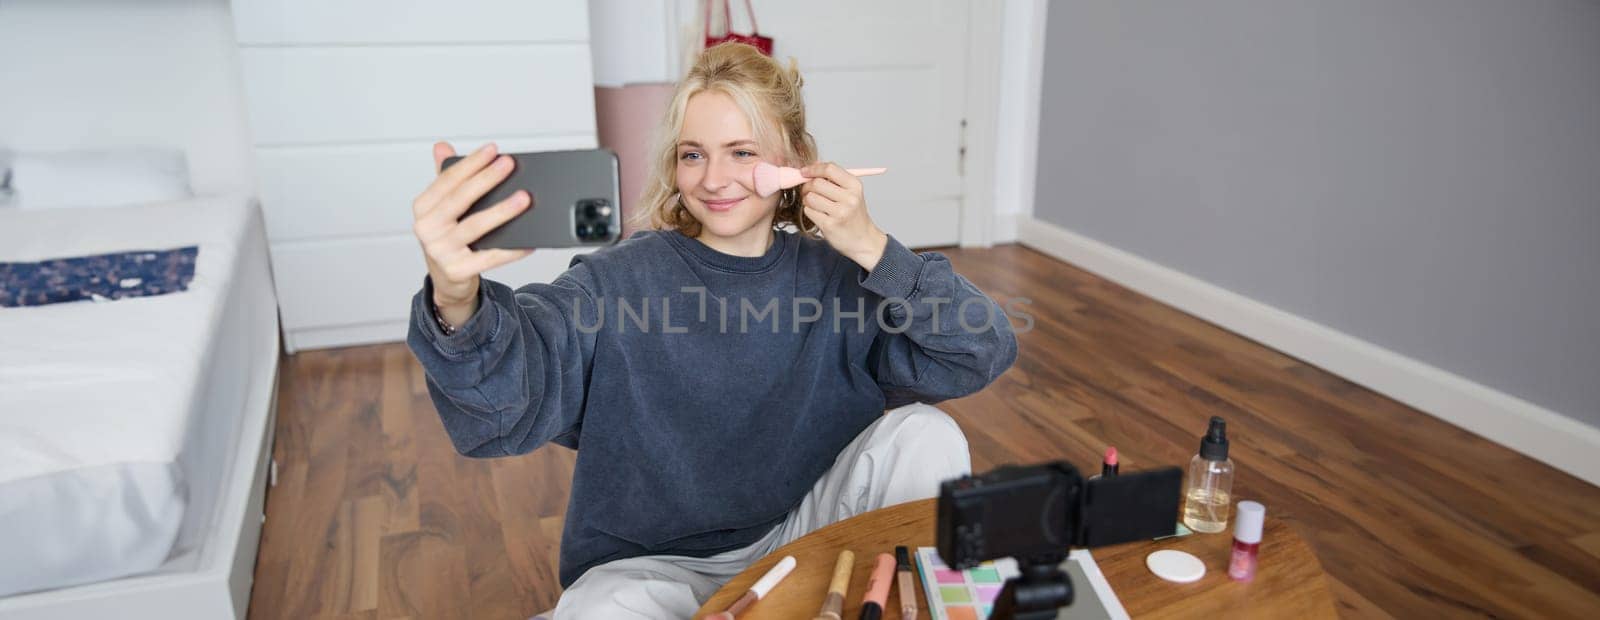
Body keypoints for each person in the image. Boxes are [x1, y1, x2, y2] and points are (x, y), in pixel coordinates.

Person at [406, 42, 1018, 618]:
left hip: (805, 534)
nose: (714, 178)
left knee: (927, 433)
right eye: (693, 154)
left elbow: (979, 350)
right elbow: (506, 401)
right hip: (653, 565)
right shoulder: (614, 280)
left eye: (742, 152)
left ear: (794, 162)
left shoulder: (841, 277)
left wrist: (877, 249)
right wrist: (456, 299)